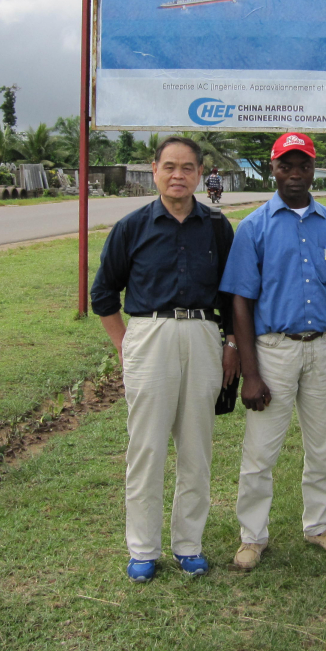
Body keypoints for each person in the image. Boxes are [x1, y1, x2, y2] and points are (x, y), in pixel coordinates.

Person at [90, 135, 239, 583]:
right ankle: (143, 549)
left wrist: (231, 344)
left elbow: (232, 295)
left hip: (203, 334)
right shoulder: (132, 227)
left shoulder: (217, 227)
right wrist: (125, 344)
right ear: (154, 170)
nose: (178, 175)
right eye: (169, 166)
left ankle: (189, 545)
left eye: (187, 167)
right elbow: (103, 294)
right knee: (147, 447)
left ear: (200, 174)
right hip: (148, 334)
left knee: (196, 447)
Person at [219, 132, 326, 570]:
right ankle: (252, 536)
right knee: (260, 452)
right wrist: (251, 373)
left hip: (323, 349)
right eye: (286, 166)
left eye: (303, 166)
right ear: (273, 168)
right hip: (274, 351)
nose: (295, 174)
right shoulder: (254, 227)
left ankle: (320, 526)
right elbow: (240, 301)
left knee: (324, 449)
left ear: (315, 169)